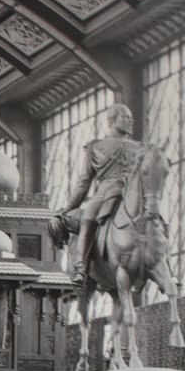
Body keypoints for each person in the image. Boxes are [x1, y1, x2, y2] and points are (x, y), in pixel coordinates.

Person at [58, 103, 142, 289]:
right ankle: (81, 266)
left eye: (131, 118)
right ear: (114, 120)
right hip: (105, 193)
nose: (131, 121)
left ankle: (163, 265)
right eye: (126, 117)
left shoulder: (139, 148)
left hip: (132, 194)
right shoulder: (95, 147)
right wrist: (69, 207)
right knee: (88, 219)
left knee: (155, 221)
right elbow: (84, 182)